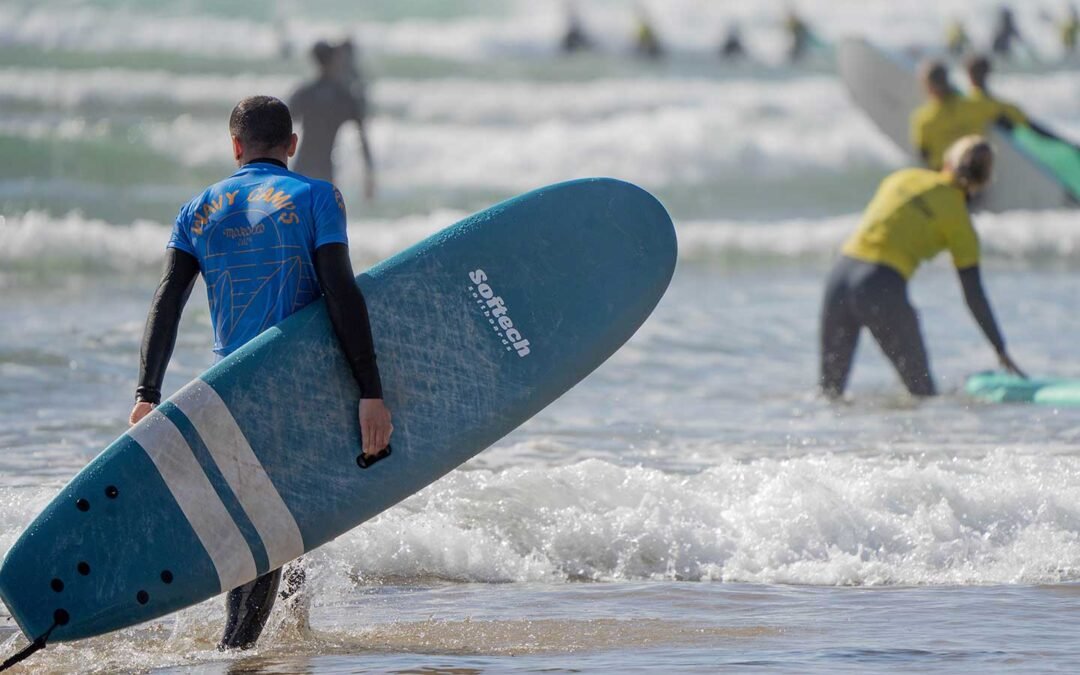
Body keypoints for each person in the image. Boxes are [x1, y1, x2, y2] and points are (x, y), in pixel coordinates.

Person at [130, 95, 393, 649]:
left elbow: (167, 302)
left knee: (279, 513)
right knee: (274, 523)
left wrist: (147, 392)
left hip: (229, 387)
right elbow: (340, 292)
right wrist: (371, 389)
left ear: (234, 147)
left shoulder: (196, 209)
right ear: (291, 145)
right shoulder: (317, 196)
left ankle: (292, 633)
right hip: (295, 382)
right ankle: (236, 651)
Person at [820, 135, 1025, 398]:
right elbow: (974, 295)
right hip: (881, 285)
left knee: (829, 393)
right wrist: (1000, 348)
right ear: (984, 181)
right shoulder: (960, 224)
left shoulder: (902, 178)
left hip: (839, 274)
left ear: (948, 161)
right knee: (922, 393)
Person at [290, 40, 376, 201]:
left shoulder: (305, 93)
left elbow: (281, 127)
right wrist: (369, 174)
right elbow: (362, 137)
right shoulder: (344, 97)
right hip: (324, 170)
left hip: (301, 166)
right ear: (334, 60)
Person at [910, 60, 1007, 170]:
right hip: (975, 175)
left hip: (945, 177)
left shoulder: (923, 118)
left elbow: (923, 154)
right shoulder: (975, 104)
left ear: (927, 86)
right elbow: (1007, 113)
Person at [964, 54, 1068, 142]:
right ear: (987, 74)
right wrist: (1064, 142)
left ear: (969, 75)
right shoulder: (1000, 107)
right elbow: (1035, 129)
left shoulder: (961, 104)